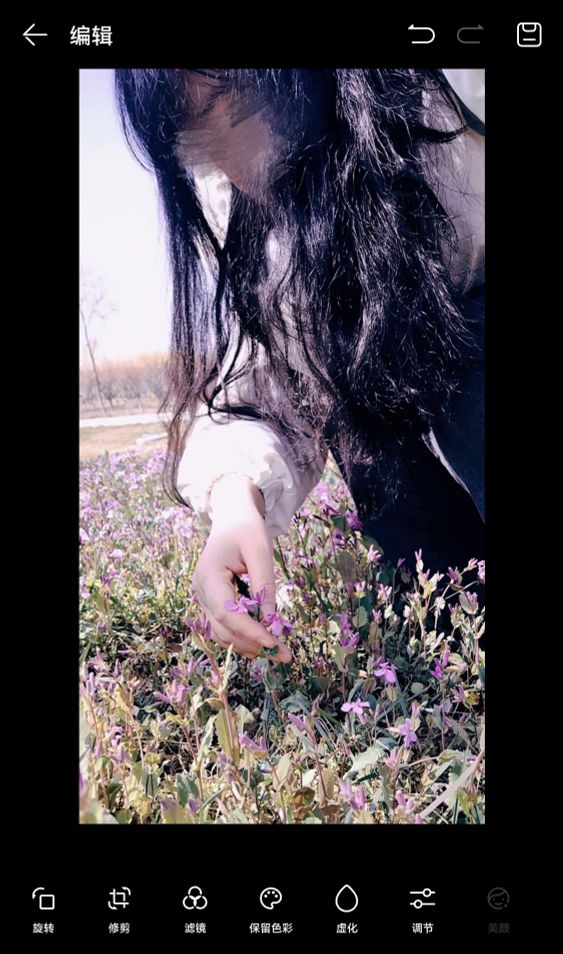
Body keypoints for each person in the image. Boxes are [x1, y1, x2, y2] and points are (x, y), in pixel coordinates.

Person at [114, 68, 485, 665]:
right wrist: (236, 501)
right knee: (354, 373)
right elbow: (269, 372)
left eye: (234, 101)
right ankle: (451, 618)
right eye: (189, 136)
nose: (224, 158)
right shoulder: (229, 196)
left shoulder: (449, 89)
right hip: (415, 478)